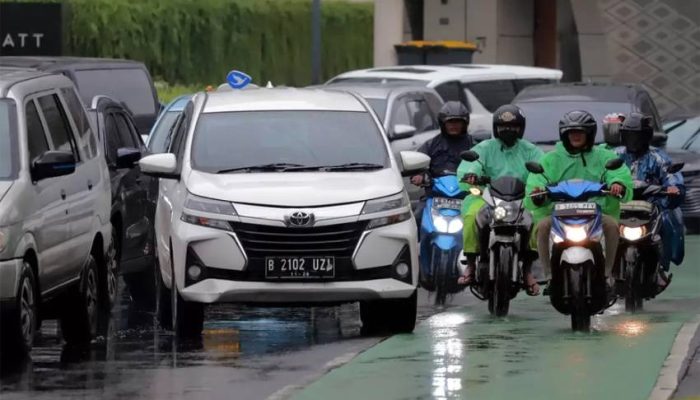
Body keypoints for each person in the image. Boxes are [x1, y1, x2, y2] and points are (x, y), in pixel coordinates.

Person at [524, 110, 633, 290]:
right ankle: (550, 276)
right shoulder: (550, 159)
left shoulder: (605, 156)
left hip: (597, 214)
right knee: (543, 227)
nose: (575, 136)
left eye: (580, 132)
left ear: (589, 134)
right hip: (559, 214)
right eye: (571, 132)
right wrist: (538, 192)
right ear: (564, 135)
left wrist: (617, 184)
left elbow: (618, 174)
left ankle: (607, 274)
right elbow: (537, 180)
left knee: (612, 227)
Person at [456, 105, 544, 295]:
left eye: (513, 126)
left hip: (522, 198)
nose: (508, 130)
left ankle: (528, 270)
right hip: (487, 196)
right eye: (503, 126)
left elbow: (542, 170)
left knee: (536, 217)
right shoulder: (484, 148)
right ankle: (471, 264)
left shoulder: (531, 150)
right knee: (471, 214)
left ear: (521, 128)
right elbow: (471, 164)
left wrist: (538, 184)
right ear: (496, 129)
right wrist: (471, 175)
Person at [615, 112, 685, 291]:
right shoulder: (613, 156)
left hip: (653, 205)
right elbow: (601, 172)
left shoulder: (658, 157)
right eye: (629, 135)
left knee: (667, 223)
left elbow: (671, 174)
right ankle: (602, 268)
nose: (633, 140)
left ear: (646, 136)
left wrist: (673, 187)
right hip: (618, 205)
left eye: (637, 136)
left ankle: (661, 266)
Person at [411, 101, 473, 227]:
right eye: (450, 122)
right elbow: (417, 165)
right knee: (416, 219)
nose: (454, 125)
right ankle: (418, 246)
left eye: (458, 122)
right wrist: (419, 175)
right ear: (442, 123)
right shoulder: (431, 145)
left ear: (465, 123)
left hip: (466, 197)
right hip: (435, 196)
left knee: (484, 219)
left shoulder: (474, 145)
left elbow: (484, 166)